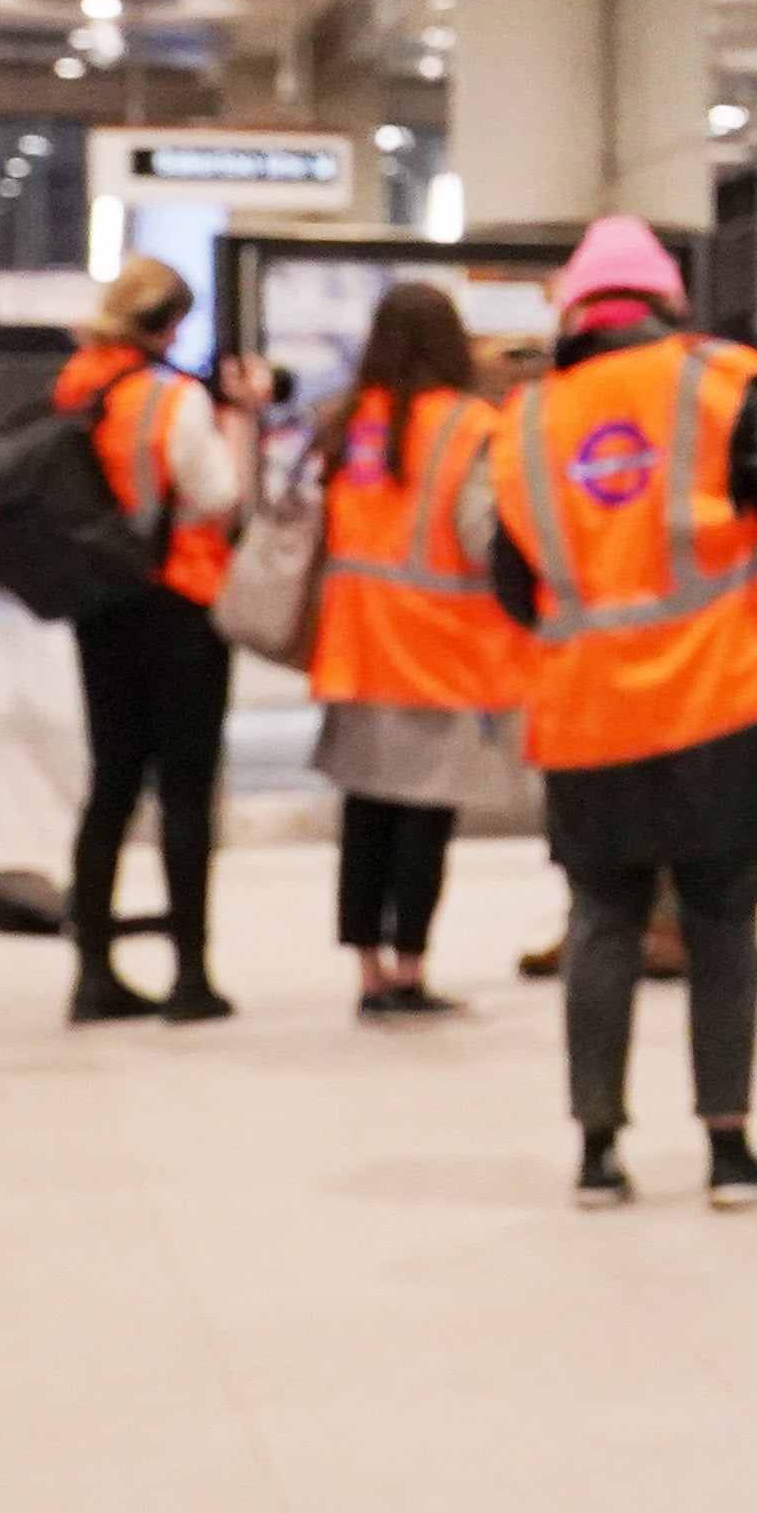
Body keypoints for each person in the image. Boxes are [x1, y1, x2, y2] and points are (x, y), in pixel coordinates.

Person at [489, 215, 757, 1209]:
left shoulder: (524, 421)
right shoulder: (723, 381)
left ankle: (599, 1153)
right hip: (726, 698)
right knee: (723, 924)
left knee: (601, 922)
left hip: (588, 711)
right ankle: (729, 1151)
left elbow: (513, 582)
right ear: (664, 303)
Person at [50, 259, 267, 1027]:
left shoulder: (78, 384)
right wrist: (243, 417)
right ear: (172, 322)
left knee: (110, 783)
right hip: (177, 602)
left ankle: (92, 969)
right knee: (183, 788)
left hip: (100, 603)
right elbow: (217, 495)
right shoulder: (173, 398)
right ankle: (190, 973)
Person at [306, 280, 524, 1023]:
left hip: (355, 643)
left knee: (364, 813)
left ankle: (365, 972)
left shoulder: (346, 420)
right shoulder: (470, 425)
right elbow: (477, 534)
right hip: (437, 647)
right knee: (424, 820)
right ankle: (409, 968)